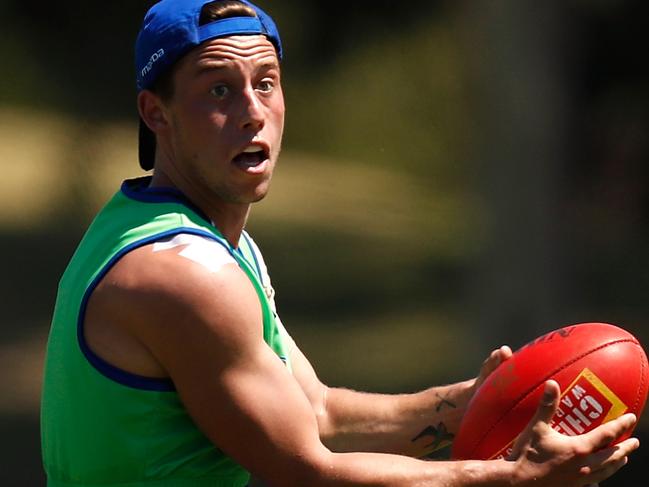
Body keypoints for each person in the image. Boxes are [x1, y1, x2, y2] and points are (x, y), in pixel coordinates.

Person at [40, 0, 639, 486]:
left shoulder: (201, 240)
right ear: (156, 112)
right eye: (218, 90)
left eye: (266, 83)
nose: (252, 112)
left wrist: (472, 403)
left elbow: (319, 411)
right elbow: (308, 468)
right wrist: (509, 479)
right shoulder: (184, 277)